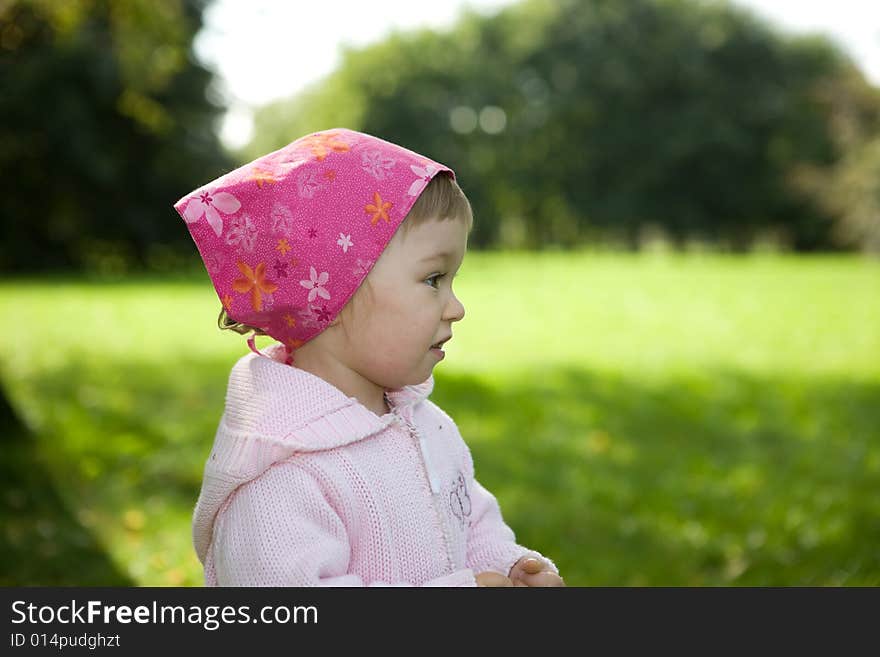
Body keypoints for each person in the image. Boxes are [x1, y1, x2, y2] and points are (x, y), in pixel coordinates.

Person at [174, 128, 563, 587]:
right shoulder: (281, 477)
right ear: (337, 294)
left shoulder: (426, 425)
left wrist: (509, 566)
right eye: (434, 278)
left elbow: (471, 523)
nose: (457, 307)